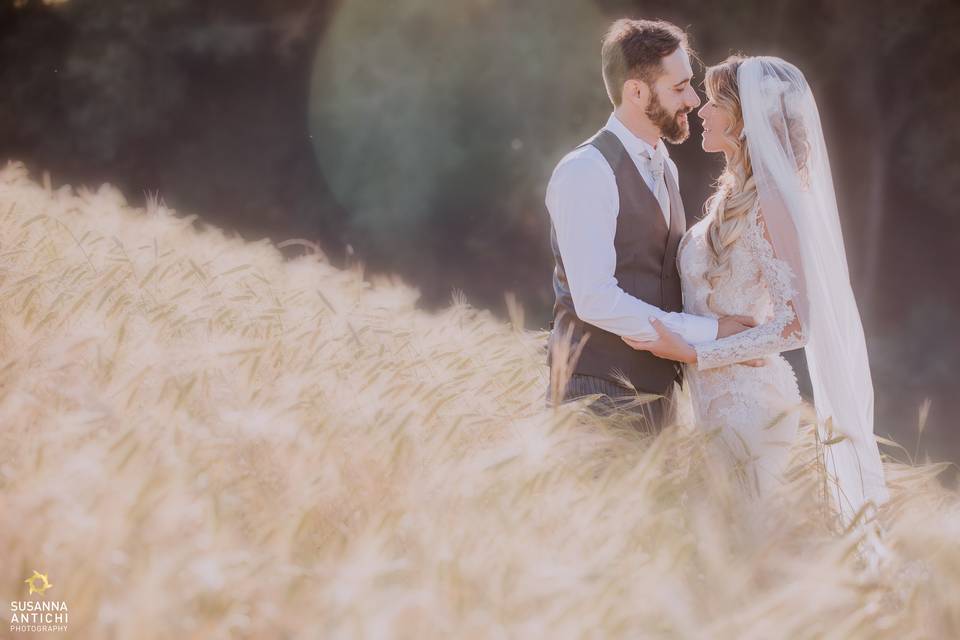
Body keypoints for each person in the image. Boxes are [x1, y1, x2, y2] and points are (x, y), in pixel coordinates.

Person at [622, 55, 891, 557]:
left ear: (742, 119)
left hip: (750, 404)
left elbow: (796, 326)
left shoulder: (773, 201)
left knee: (736, 550)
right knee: (715, 548)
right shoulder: (731, 196)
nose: (700, 110)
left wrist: (694, 352)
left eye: (714, 102)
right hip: (710, 403)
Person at [544, 19, 757, 433]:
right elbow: (594, 299)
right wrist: (711, 332)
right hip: (593, 396)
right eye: (678, 88)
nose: (693, 100)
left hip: (660, 399)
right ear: (636, 92)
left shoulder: (666, 169)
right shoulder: (586, 171)